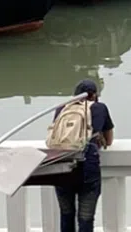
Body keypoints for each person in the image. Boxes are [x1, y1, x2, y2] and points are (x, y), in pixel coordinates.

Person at [54, 79, 114, 232]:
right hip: (88, 167)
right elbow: (109, 140)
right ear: (94, 95)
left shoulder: (61, 109)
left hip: (62, 166)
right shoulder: (100, 108)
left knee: (66, 215)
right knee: (85, 219)